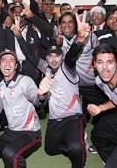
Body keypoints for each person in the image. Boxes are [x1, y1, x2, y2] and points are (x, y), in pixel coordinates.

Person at [14, 11, 91, 168]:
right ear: (46, 58)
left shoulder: (68, 67)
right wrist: (18, 36)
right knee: (50, 149)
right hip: (55, 119)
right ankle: (71, 141)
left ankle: (78, 140)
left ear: (62, 57)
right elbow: (29, 54)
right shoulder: (46, 67)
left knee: (76, 148)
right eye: (50, 56)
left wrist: (81, 39)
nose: (54, 59)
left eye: (57, 56)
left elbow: (72, 55)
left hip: (73, 117)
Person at [0, 49, 51, 168]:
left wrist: (42, 95)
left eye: (11, 60)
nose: (7, 63)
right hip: (12, 131)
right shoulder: (1, 85)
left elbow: (38, 101)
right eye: (4, 60)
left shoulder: (25, 81)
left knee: (10, 153)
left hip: (31, 132)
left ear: (16, 66)